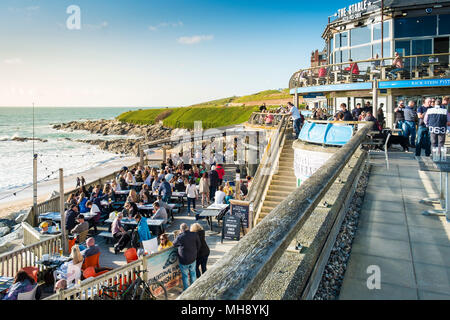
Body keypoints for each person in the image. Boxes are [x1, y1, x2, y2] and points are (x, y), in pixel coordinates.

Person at [173, 223, 201, 291]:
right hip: (193, 258)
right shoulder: (194, 234)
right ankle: (193, 288)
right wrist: (195, 252)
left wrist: (179, 234)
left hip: (184, 260)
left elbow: (174, 243)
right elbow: (199, 244)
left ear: (181, 230)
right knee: (193, 273)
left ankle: (186, 290)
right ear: (187, 227)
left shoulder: (180, 237)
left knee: (185, 276)